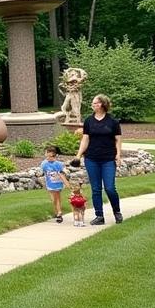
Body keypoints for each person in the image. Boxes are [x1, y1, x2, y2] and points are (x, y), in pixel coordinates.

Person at [72, 94, 123, 225]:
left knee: (110, 188)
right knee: (95, 189)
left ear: (102, 104)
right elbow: (85, 138)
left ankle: (117, 212)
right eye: (93, 103)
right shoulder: (89, 120)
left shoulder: (113, 121)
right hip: (91, 158)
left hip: (108, 159)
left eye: (95, 103)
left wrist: (118, 154)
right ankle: (99, 216)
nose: (93, 105)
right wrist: (78, 155)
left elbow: (118, 139)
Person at [40, 145, 68, 222]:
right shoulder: (44, 164)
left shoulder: (58, 164)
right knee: (53, 199)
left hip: (58, 184)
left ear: (52, 155)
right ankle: (57, 212)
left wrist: (67, 184)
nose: (46, 155)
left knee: (57, 198)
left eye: (46, 153)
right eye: (45, 153)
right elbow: (43, 173)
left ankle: (59, 213)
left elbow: (62, 175)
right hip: (49, 184)